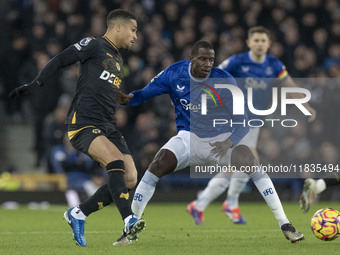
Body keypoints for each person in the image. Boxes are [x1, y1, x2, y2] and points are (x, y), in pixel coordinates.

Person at [116, 40, 304, 244]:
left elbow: (244, 121)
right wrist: (128, 99)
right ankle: (129, 230)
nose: (208, 64)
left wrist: (229, 142)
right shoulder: (174, 73)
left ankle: (285, 223)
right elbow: (144, 94)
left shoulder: (224, 80)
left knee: (251, 161)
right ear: (192, 59)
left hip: (220, 140)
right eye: (203, 59)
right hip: (189, 137)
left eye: (211, 60)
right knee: (158, 163)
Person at [9, 9, 145, 247]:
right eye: (133, 30)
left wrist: (122, 97)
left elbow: (104, 89)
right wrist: (36, 83)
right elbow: (62, 58)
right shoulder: (93, 44)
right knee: (115, 161)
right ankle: (129, 220)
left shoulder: (118, 59)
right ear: (118, 27)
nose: (135, 36)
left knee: (131, 178)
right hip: (83, 123)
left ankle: (78, 214)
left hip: (108, 125)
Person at [187, 26, 316, 225]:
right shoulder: (238, 61)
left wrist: (305, 104)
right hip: (232, 118)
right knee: (250, 161)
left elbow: (289, 84)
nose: (259, 44)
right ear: (249, 43)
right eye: (255, 40)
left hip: (253, 123)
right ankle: (229, 203)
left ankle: (200, 204)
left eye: (263, 41)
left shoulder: (274, 64)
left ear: (269, 43)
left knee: (235, 168)